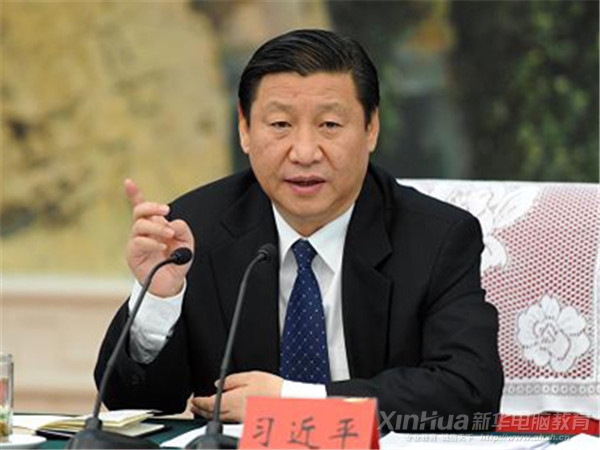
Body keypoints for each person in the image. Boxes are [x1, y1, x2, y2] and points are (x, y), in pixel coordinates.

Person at [95, 29, 503, 430]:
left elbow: (470, 394)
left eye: (329, 125)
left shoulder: (437, 238)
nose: (305, 153)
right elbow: (133, 403)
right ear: (244, 129)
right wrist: (159, 300)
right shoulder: (196, 230)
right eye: (280, 124)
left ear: (371, 128)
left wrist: (292, 401)